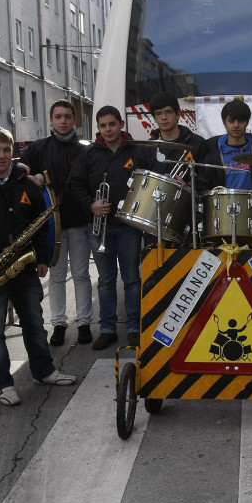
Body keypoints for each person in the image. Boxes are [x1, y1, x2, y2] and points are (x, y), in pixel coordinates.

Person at [0, 127, 77, 406]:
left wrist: (43, 258)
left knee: (34, 322)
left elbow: (40, 224)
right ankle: (3, 384)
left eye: (7, 150)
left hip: (24, 266)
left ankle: (43, 371)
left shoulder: (26, 183)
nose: (1, 156)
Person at [72, 105, 152, 350]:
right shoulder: (90, 153)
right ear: (98, 128)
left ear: (121, 124)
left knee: (131, 279)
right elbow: (76, 184)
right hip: (99, 226)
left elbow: (148, 181)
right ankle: (107, 329)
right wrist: (91, 205)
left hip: (128, 225)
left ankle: (133, 328)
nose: (107, 129)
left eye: (111, 124)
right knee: (105, 281)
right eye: (103, 125)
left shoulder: (137, 150)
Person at [20, 100, 93, 347]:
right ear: (50, 119)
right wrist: (32, 178)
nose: (63, 121)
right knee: (57, 275)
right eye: (58, 116)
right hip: (52, 226)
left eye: (67, 117)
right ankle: (59, 324)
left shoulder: (85, 148)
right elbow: (16, 169)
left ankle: (84, 322)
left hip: (80, 222)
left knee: (82, 274)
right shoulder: (39, 148)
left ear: (75, 120)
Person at [201, 98, 252, 192]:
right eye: (231, 121)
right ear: (224, 122)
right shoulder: (213, 151)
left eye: (241, 121)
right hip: (222, 205)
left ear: (247, 122)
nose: (236, 125)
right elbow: (202, 186)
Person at [146, 92, 209, 177]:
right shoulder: (147, 147)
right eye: (158, 113)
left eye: (168, 112)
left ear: (178, 114)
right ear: (154, 118)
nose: (164, 117)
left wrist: (187, 186)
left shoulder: (198, 143)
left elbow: (207, 181)